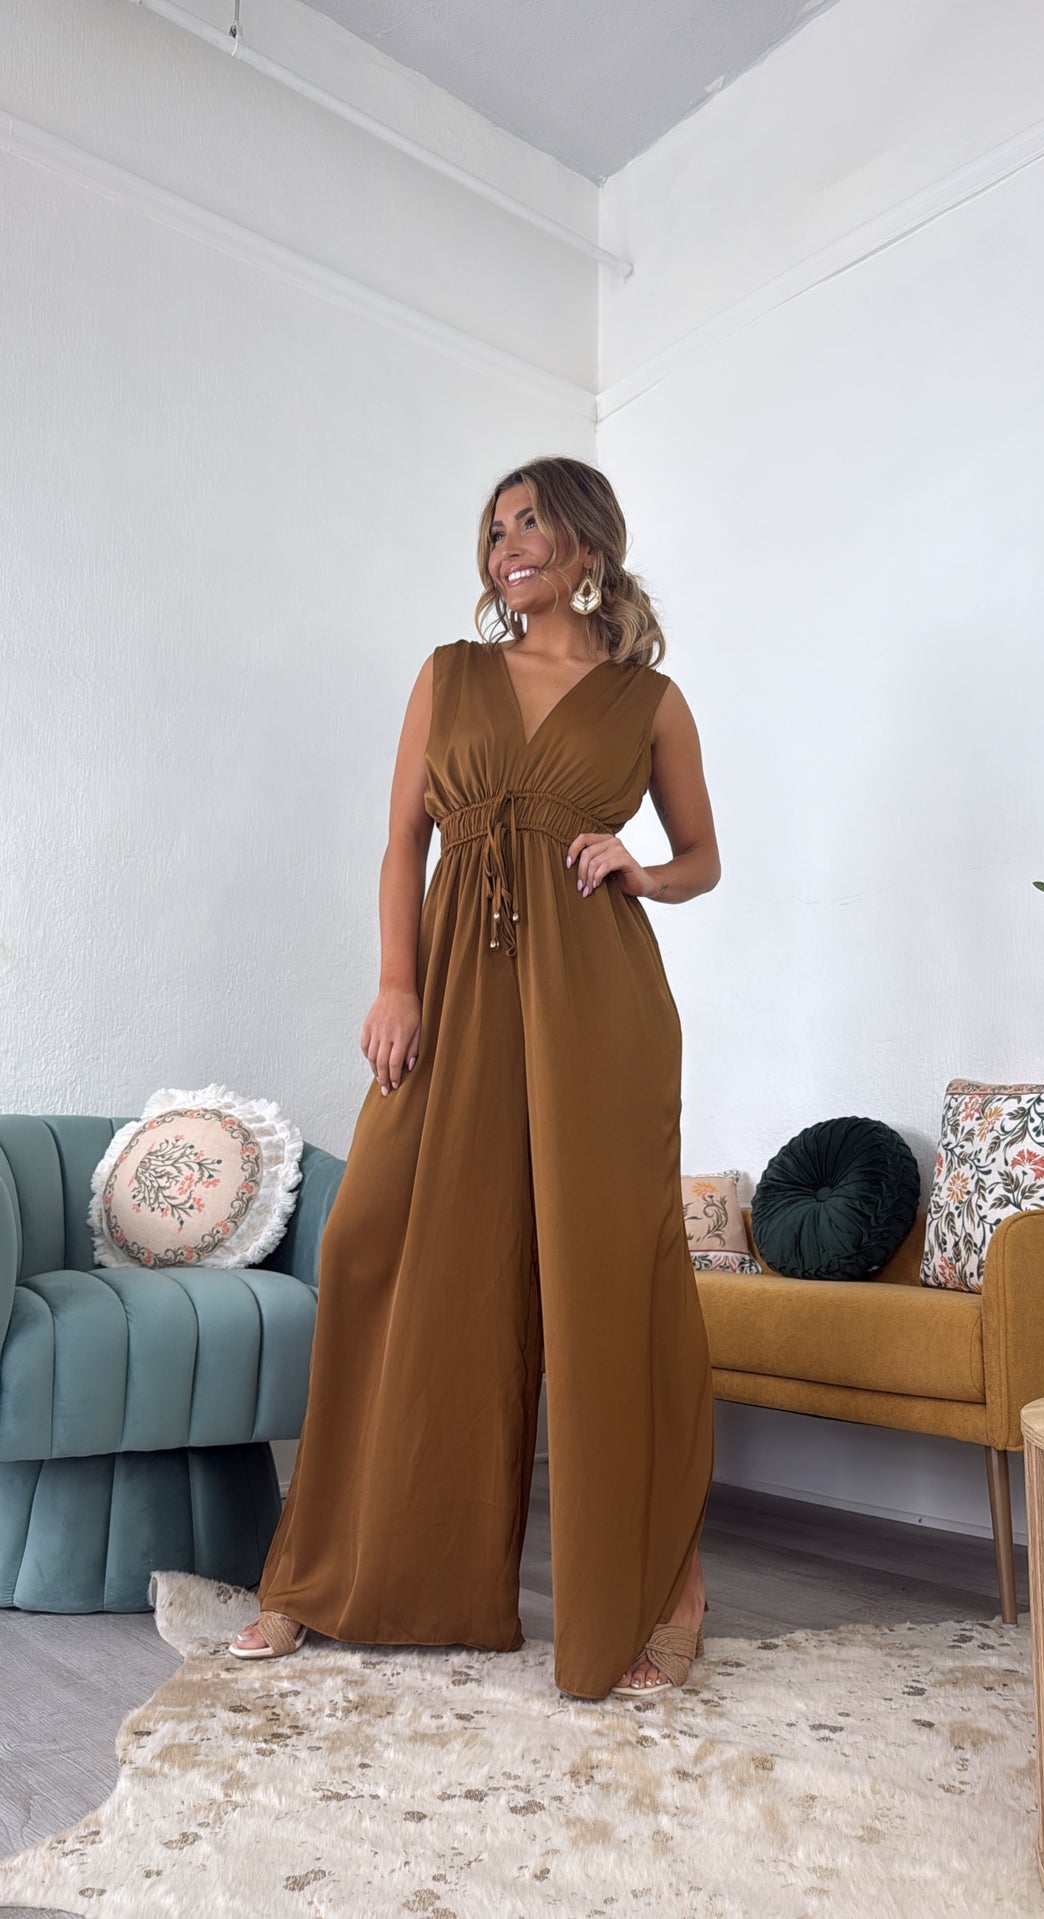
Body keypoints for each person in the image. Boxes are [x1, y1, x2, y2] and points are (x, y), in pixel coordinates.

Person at [230, 455, 720, 1699]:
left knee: (605, 1281)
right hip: (451, 993)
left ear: (588, 542)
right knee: (379, 1240)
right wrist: (396, 982)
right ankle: (327, 1571)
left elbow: (702, 857)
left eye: (531, 522)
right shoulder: (449, 674)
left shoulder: (650, 702)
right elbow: (404, 839)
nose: (508, 545)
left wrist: (639, 867)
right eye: (496, 529)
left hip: (598, 1012)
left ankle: (667, 1583)